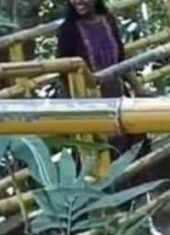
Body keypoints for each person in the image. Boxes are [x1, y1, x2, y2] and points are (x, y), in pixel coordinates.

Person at [57, 0, 149, 154]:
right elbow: (64, 73)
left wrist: (138, 88)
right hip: (89, 104)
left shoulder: (108, 20)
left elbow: (120, 59)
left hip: (117, 95)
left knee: (134, 146)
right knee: (105, 153)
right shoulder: (69, 30)